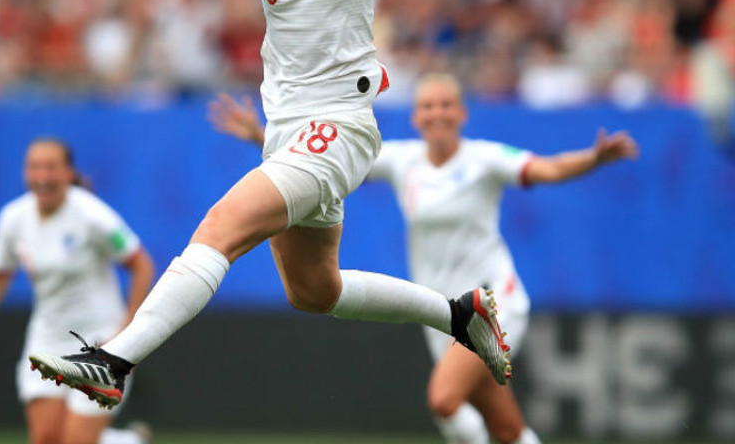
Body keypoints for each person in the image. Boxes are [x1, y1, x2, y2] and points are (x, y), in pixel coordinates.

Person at [28, 0, 511, 410]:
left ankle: (112, 360)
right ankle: (459, 315)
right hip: (287, 133)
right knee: (313, 291)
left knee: (218, 230)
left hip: (338, 127)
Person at [207, 74, 640, 444]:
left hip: (492, 304)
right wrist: (261, 135)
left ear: (462, 114)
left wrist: (594, 158)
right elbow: (329, 162)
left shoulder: (485, 160)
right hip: (445, 314)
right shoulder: (403, 160)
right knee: (506, 429)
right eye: (428, 106)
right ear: (416, 117)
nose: (438, 113)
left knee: (444, 400)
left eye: (447, 105)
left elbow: (547, 169)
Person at [0, 138, 156, 444]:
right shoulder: (13, 218)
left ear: (68, 173)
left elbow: (141, 265)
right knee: (45, 438)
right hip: (47, 340)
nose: (42, 176)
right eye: (34, 167)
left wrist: (127, 332)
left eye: (51, 168)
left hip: (101, 342)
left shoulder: (93, 215)